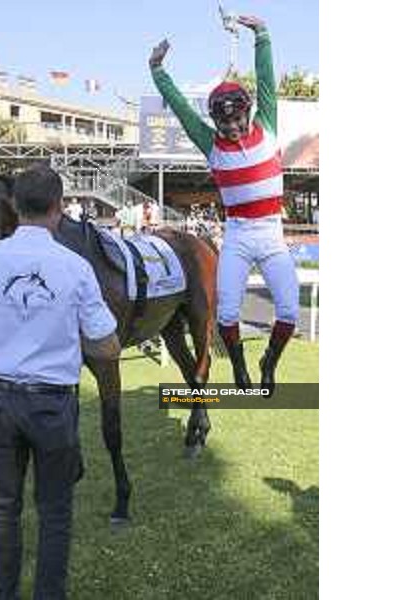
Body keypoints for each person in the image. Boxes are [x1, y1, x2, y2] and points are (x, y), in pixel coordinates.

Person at [0, 164, 120, 600]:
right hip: (50, 406)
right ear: (58, 207)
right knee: (55, 512)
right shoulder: (76, 265)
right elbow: (107, 348)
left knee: (3, 507)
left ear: (13, 204)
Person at [150, 14, 299, 395]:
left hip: (271, 233)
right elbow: (182, 108)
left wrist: (262, 35)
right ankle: (238, 366)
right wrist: (157, 70)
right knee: (227, 313)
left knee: (289, 313)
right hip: (237, 235)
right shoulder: (210, 143)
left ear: (248, 112)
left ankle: (269, 361)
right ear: (215, 121)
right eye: (224, 122)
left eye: (236, 120)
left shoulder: (267, 122)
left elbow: (266, 81)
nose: (231, 128)